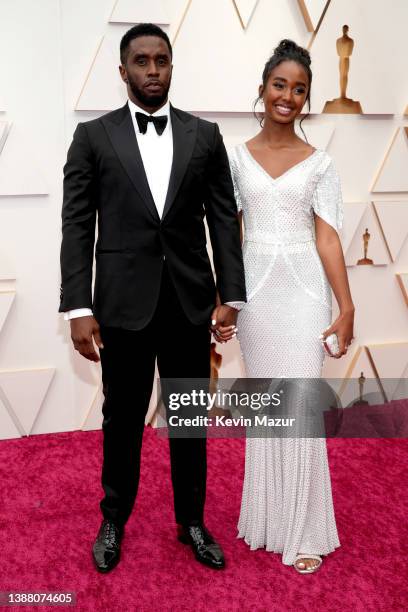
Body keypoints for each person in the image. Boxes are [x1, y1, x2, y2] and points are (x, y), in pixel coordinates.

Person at [59, 23, 246, 573]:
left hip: (189, 303)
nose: (152, 71)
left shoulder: (204, 136)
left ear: (171, 65)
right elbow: (77, 225)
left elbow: (221, 220)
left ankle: (192, 521)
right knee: (122, 418)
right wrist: (78, 306)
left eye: (161, 60)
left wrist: (230, 296)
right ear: (123, 71)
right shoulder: (93, 138)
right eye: (141, 62)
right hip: (122, 306)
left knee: (189, 418)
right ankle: (113, 518)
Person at [226, 39, 355, 573]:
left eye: (299, 89)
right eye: (280, 85)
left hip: (304, 294)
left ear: (306, 98)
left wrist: (345, 307)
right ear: (262, 89)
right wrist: (225, 301)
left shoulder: (320, 164)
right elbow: (227, 236)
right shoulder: (234, 156)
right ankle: (267, 520)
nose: (288, 96)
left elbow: (327, 240)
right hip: (256, 296)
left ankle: (303, 531)